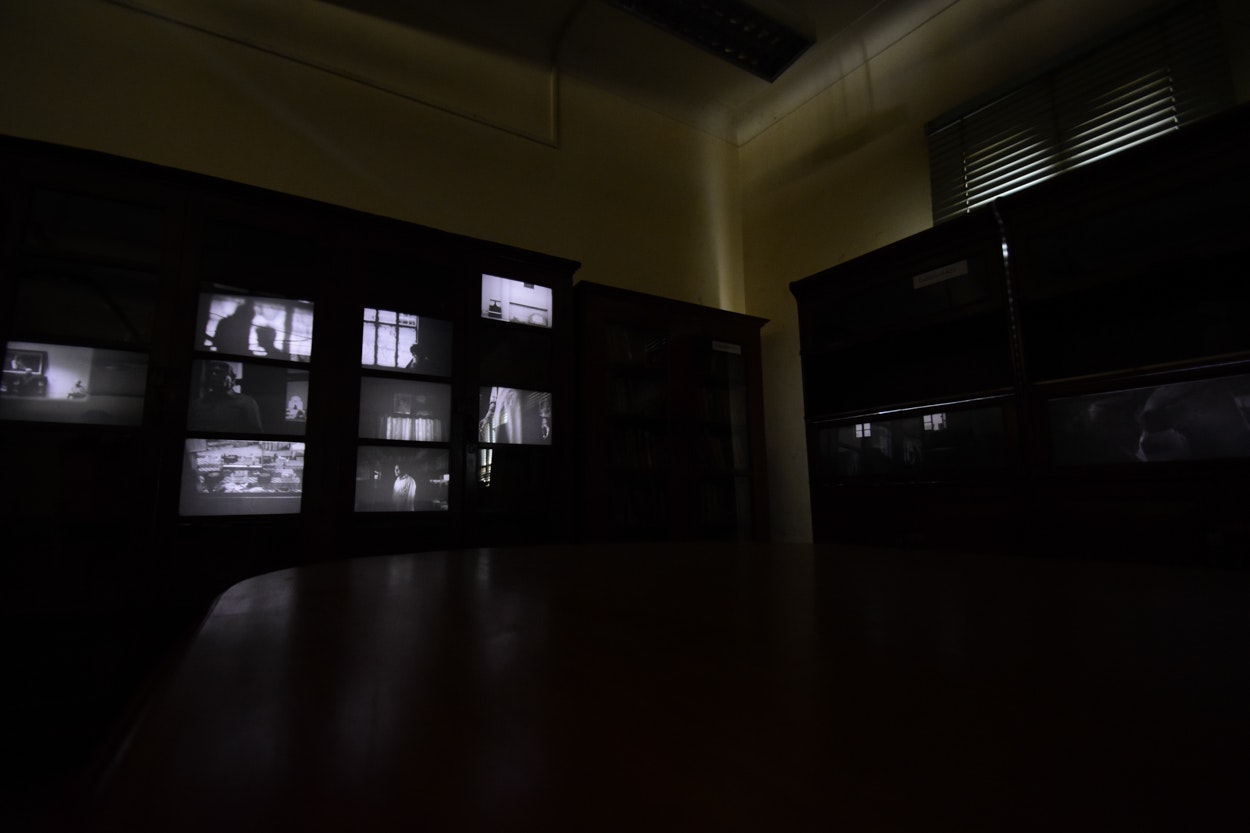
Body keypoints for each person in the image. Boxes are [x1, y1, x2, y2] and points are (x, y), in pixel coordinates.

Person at [187, 361, 263, 433]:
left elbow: (256, 432)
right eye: (211, 373)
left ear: (232, 378)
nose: (214, 376)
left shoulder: (246, 403)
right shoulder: (197, 404)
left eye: (220, 373)